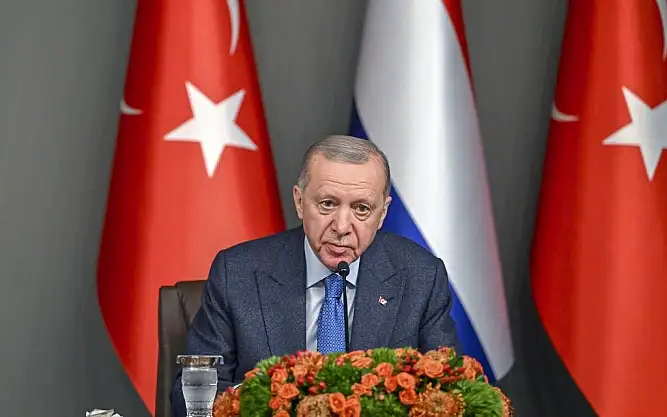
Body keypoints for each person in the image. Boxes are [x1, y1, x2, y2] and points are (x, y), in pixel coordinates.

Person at [170, 135, 460, 416]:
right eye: (327, 204)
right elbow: (193, 396)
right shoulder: (237, 272)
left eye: (361, 209)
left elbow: (449, 393)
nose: (342, 226)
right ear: (299, 202)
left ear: (382, 213)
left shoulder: (421, 277)